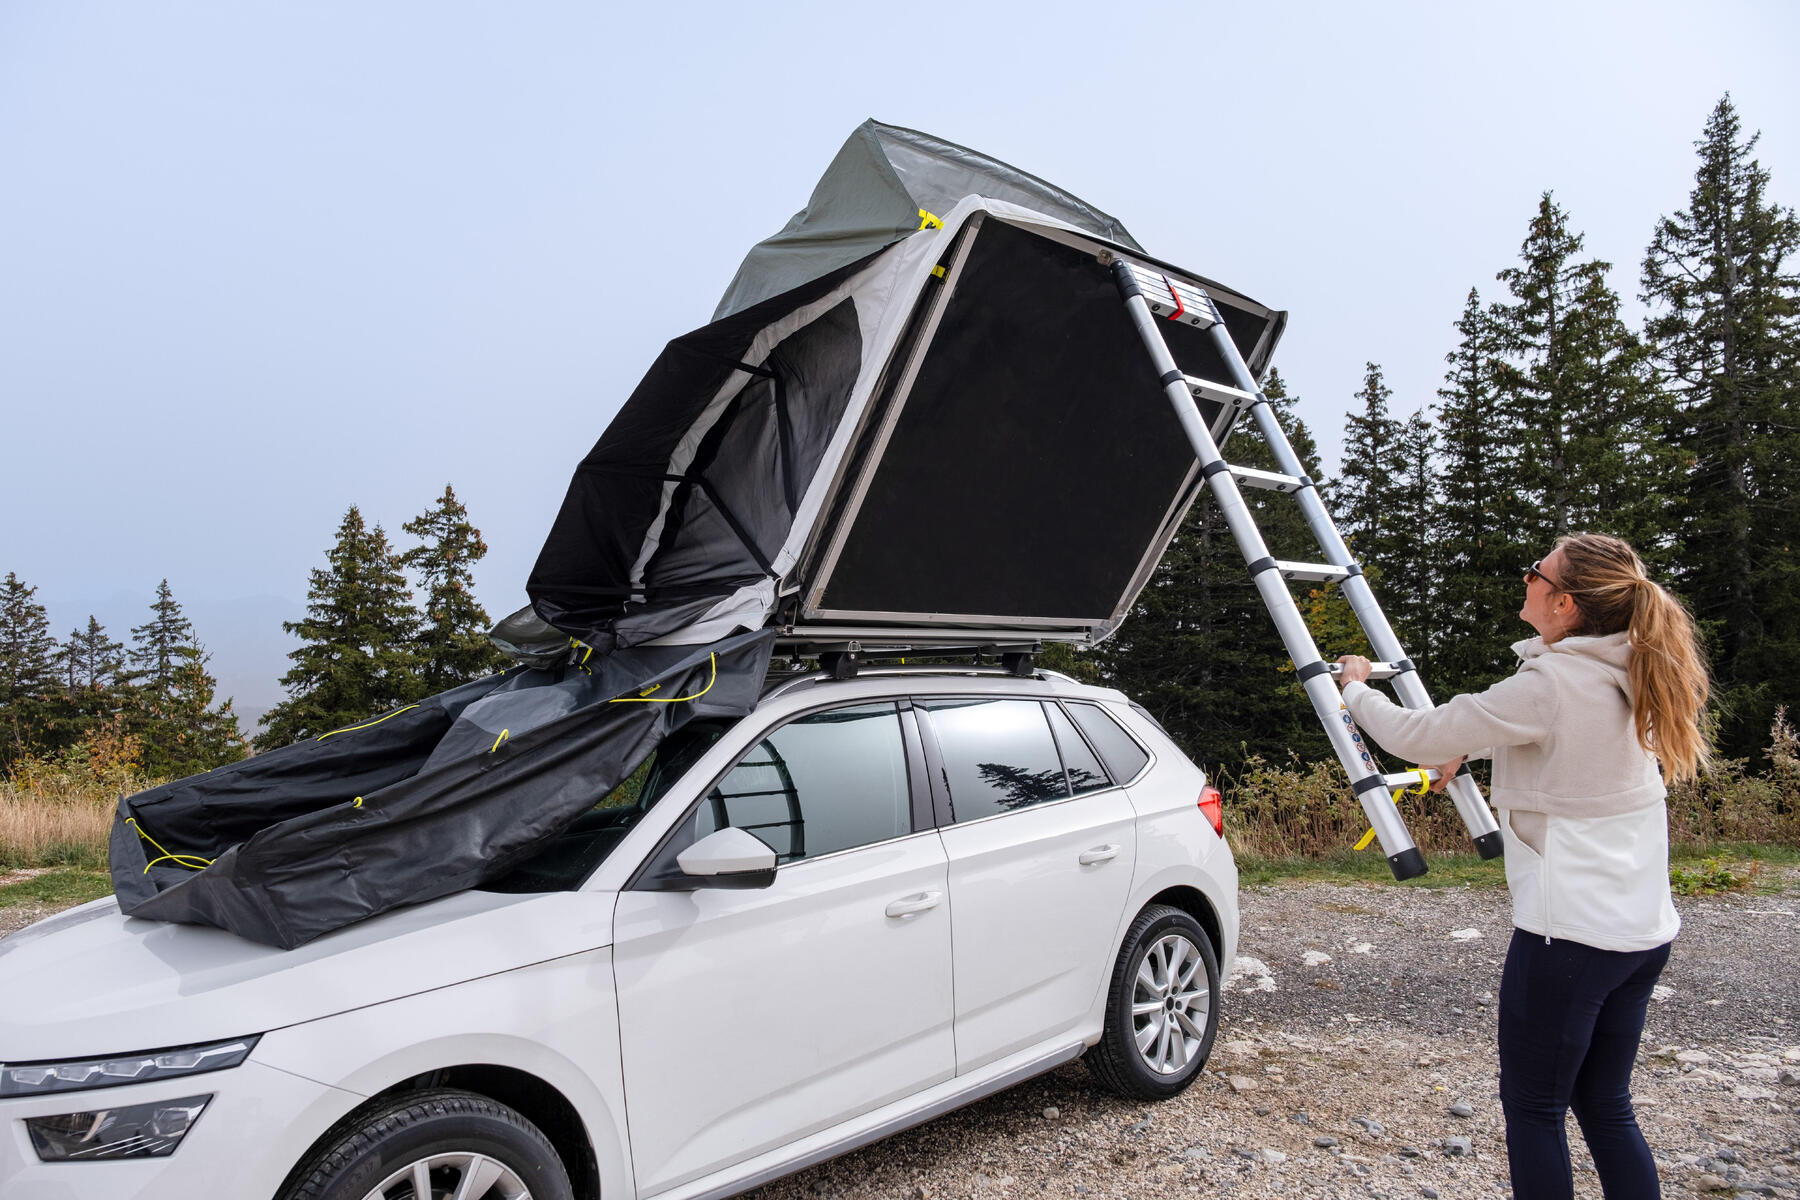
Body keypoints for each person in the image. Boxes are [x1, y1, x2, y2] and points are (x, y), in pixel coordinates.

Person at [1335, 532, 1709, 1200]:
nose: (1526, 579)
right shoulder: (1629, 666)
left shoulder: (1555, 680)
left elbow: (1412, 735)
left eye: (1535, 571)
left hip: (1571, 939)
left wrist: (1355, 689)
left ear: (1564, 604)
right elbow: (1563, 742)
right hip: (1641, 933)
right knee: (1605, 1104)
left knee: (1535, 1110)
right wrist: (1471, 750)